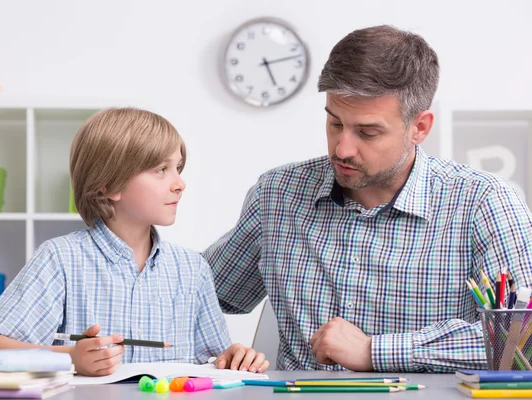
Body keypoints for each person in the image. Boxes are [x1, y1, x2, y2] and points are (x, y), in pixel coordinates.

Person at [204, 25, 532, 372]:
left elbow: (525, 342)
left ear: (419, 127)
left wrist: (376, 351)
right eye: (334, 124)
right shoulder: (278, 195)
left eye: (368, 132)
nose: (342, 149)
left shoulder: (483, 202)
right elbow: (203, 292)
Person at [0, 108, 269, 376]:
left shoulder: (193, 268)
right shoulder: (61, 259)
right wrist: (69, 358)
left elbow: (213, 361)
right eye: (161, 170)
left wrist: (232, 359)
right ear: (110, 185)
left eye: (178, 168)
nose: (180, 183)